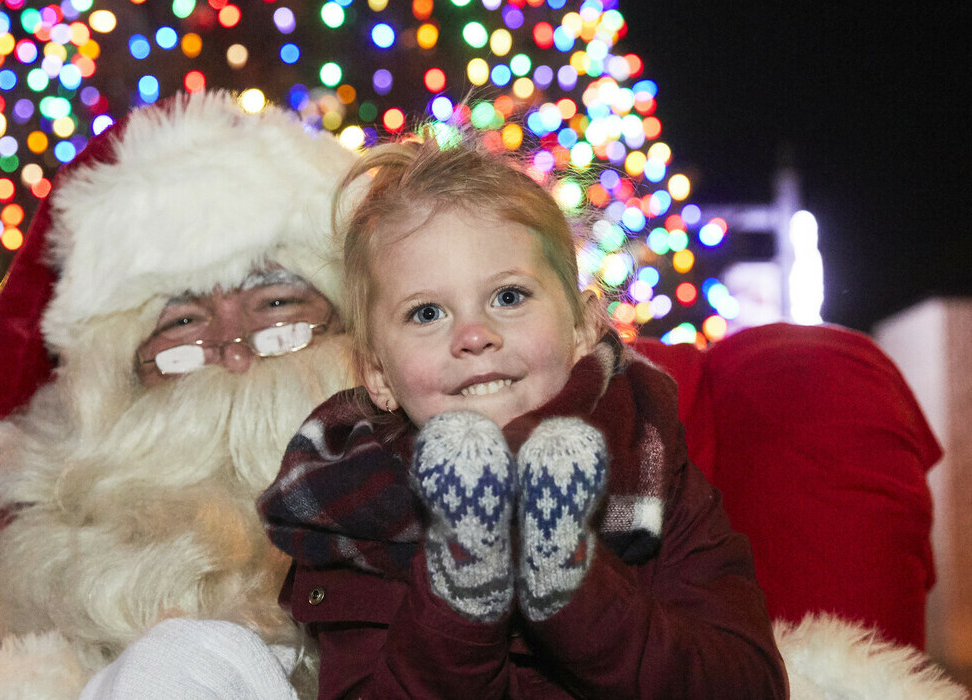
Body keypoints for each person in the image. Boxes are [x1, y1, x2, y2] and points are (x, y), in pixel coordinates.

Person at [0, 91, 359, 699]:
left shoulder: (420, 478)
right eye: (182, 323)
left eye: (276, 306)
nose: (233, 351)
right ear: (116, 374)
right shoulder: (11, 529)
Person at [259, 129, 791, 698]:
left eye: (508, 297)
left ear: (584, 328)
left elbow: (749, 683)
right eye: (427, 312)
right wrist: (460, 586)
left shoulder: (648, 458)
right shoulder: (352, 504)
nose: (473, 335)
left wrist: (572, 579)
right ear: (379, 376)